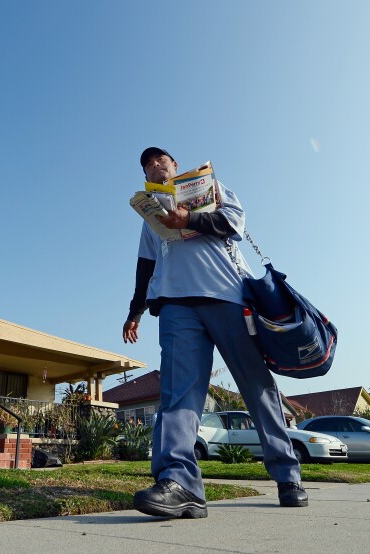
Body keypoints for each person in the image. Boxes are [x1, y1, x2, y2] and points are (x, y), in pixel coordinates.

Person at [122, 146, 308, 519]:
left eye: (161, 159)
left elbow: (234, 224)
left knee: (256, 386)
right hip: (175, 304)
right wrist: (134, 312)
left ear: (175, 165)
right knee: (177, 393)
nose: (154, 165)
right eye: (147, 163)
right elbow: (145, 265)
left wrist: (188, 219)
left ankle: (288, 475)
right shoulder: (149, 212)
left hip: (227, 296)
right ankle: (180, 484)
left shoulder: (208, 186)